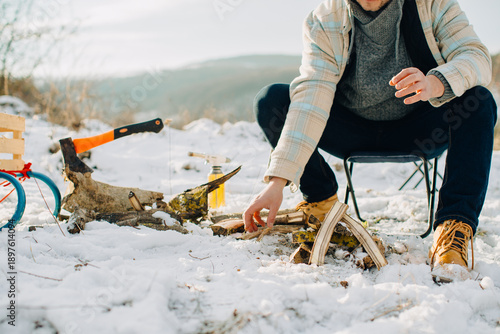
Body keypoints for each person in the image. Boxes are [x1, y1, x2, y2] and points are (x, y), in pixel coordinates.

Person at [243, 0, 497, 281]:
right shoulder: (325, 18)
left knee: (479, 101)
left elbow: (476, 58)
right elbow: (311, 96)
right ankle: (321, 204)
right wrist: (278, 181)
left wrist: (435, 82)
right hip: (351, 130)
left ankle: (453, 229)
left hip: (420, 129)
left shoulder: (433, 4)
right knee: (273, 100)